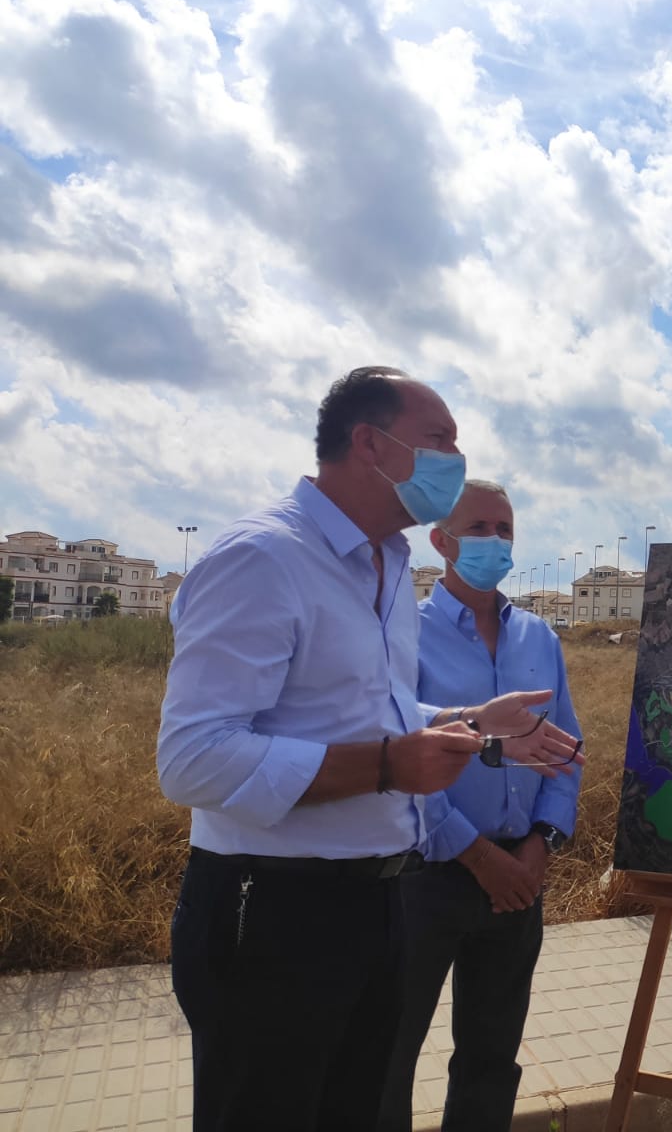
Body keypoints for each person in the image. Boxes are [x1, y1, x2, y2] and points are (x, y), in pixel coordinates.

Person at [158, 367, 582, 1132]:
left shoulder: (384, 566)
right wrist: (388, 768)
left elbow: (373, 713)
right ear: (369, 444)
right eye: (440, 440)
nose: (456, 459)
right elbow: (193, 758)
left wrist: (474, 721)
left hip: (378, 900)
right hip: (276, 912)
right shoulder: (263, 558)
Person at [380, 480, 583, 1131]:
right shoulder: (403, 631)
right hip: (426, 878)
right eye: (480, 528)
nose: (496, 542)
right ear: (440, 541)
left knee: (492, 1059)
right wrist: (475, 855)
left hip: (520, 880)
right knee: (388, 1057)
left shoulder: (539, 638)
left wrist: (539, 846)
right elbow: (400, 751)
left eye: (506, 529)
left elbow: (566, 752)